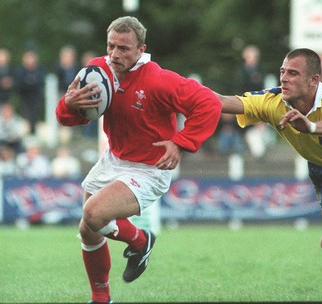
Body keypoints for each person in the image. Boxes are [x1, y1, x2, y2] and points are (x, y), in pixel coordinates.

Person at [55, 16, 221, 304]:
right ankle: (101, 298)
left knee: (93, 215)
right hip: (114, 159)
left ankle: (141, 241)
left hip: (149, 169)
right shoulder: (97, 71)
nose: (115, 54)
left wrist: (182, 143)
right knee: (87, 229)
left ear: (141, 49)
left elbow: (209, 103)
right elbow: (68, 117)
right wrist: (68, 105)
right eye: (111, 47)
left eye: (124, 48)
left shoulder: (159, 79)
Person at [218, 48, 322, 301]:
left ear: (313, 80)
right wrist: (175, 89)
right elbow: (224, 101)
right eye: (283, 71)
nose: (284, 78)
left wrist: (312, 127)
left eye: (293, 73)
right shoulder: (273, 101)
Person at [232, 45, 274, 159]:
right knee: (255, 137)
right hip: (247, 108)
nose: (253, 59)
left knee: (265, 136)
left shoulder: (261, 71)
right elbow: (241, 94)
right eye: (251, 56)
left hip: (260, 108)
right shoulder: (241, 73)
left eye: (255, 56)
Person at [15, 50, 46, 135]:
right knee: (26, 117)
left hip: (36, 98)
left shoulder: (39, 70)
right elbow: (19, 84)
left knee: (35, 116)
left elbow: (41, 83)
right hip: (24, 98)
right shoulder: (20, 71)